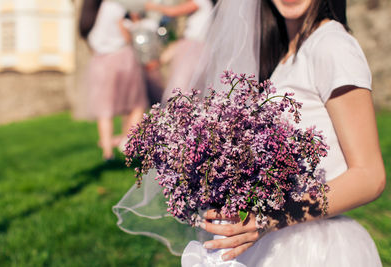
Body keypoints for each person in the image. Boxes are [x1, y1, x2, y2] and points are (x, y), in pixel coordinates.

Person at [113, 0, 386, 266]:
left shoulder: (331, 45)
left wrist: (269, 218)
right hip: (274, 241)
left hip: (314, 247)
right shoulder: (285, 53)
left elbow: (369, 176)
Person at [81, 0, 148, 160]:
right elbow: (125, 36)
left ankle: (107, 153)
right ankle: (128, 143)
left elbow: (89, 41)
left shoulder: (87, 14)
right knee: (136, 103)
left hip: (100, 61)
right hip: (122, 58)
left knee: (104, 108)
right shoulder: (114, 7)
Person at [144, 0, 214, 101]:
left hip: (194, 46)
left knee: (182, 85)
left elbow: (173, 11)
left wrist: (153, 7)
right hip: (189, 44)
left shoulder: (201, 1)